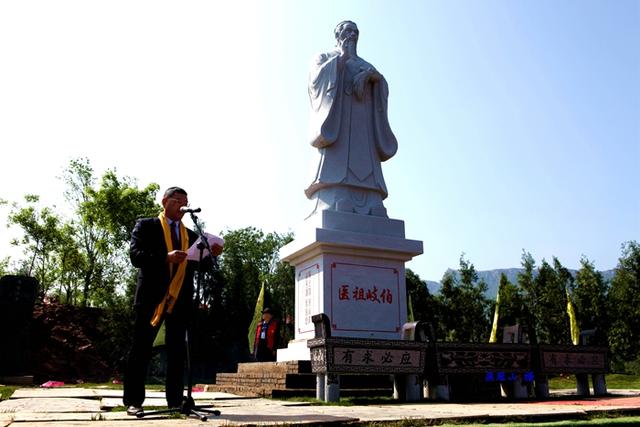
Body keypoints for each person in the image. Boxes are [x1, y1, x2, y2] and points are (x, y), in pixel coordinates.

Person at [122, 186, 223, 416]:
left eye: (185, 202)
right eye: (178, 201)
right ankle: (133, 400)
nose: (182, 206)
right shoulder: (146, 226)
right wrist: (164, 257)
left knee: (178, 351)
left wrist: (211, 254)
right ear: (164, 201)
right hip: (151, 297)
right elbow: (135, 256)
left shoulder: (191, 234)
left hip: (180, 299)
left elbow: (199, 265)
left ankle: (175, 401)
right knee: (141, 348)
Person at [305, 20, 398, 217]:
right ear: (338, 35)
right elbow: (316, 82)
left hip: (362, 127)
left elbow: (381, 85)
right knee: (337, 160)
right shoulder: (324, 57)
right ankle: (336, 195)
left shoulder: (365, 65)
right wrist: (342, 59)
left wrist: (374, 79)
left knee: (365, 159)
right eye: (348, 30)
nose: (352, 34)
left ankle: (372, 199)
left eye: (355, 31)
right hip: (338, 125)